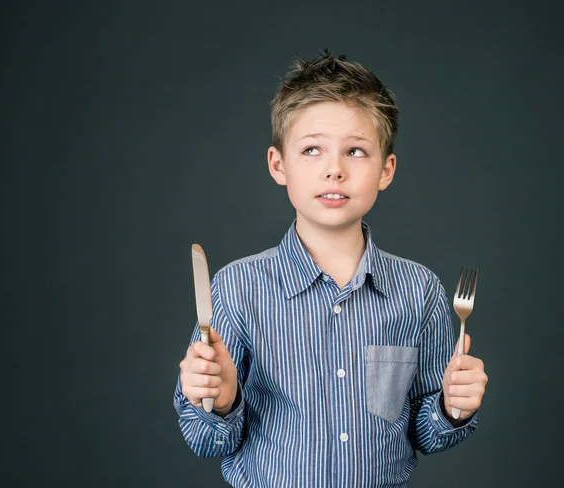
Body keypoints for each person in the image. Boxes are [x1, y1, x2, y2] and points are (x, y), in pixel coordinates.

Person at [173, 49, 488, 487]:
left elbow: (424, 434)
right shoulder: (236, 289)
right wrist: (221, 402)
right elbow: (207, 442)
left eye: (356, 151)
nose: (334, 170)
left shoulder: (422, 292)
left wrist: (453, 409)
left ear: (386, 170)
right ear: (279, 165)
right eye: (312, 150)